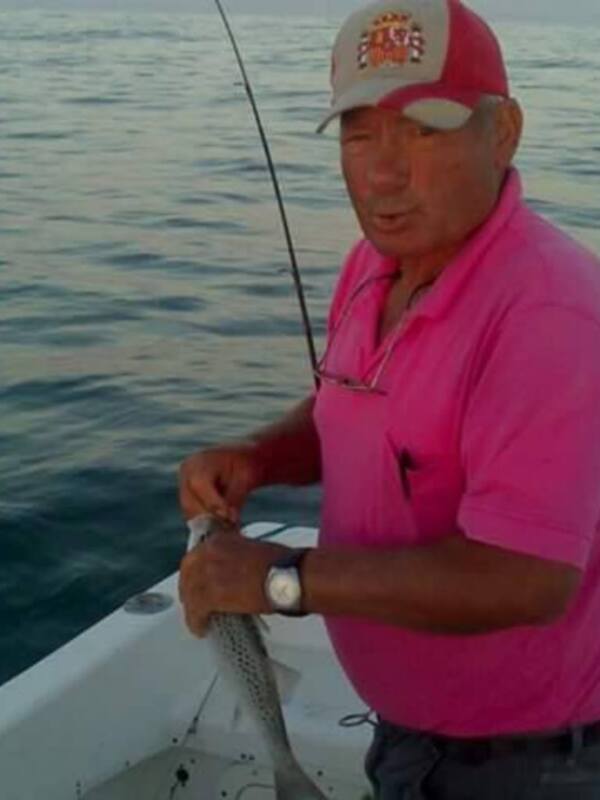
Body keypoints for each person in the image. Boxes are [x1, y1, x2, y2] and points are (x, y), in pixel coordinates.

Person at [178, 0, 600, 796]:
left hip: (526, 763)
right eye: (360, 132)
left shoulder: (548, 313)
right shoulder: (374, 266)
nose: (382, 170)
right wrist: (259, 457)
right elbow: (353, 403)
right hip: (410, 737)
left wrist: (282, 579)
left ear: (502, 130)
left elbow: (529, 579)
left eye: (424, 130)